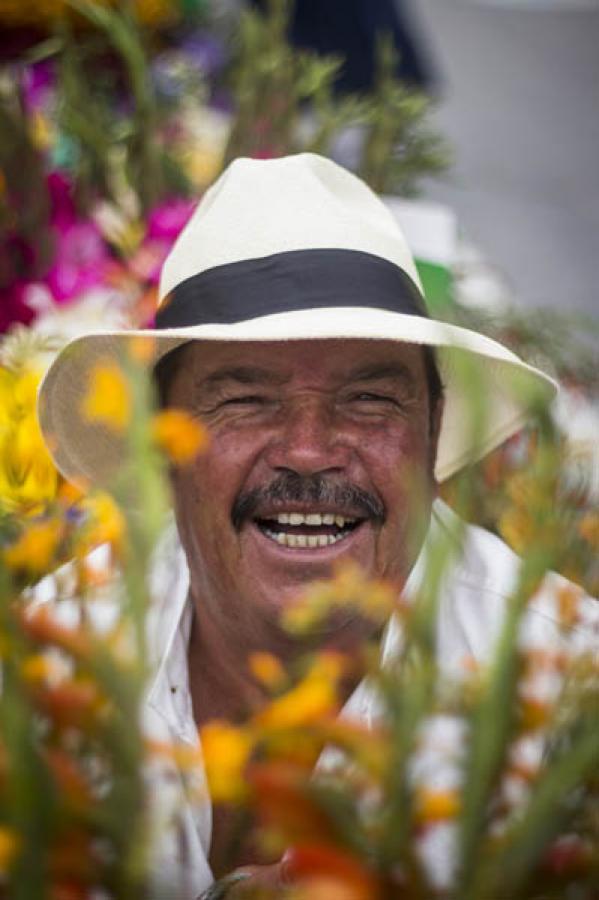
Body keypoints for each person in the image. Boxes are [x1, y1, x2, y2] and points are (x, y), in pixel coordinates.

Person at [38, 154, 598, 899]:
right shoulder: (52, 656)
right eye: (245, 399)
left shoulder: (568, 699)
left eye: (368, 398)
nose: (308, 449)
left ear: (431, 435)